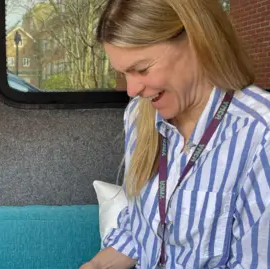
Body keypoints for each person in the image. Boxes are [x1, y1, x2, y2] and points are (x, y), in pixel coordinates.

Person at [81, 0, 270, 268]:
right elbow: (138, 232)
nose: (132, 89)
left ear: (196, 40)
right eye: (123, 73)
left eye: (142, 69)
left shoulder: (260, 135)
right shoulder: (138, 115)